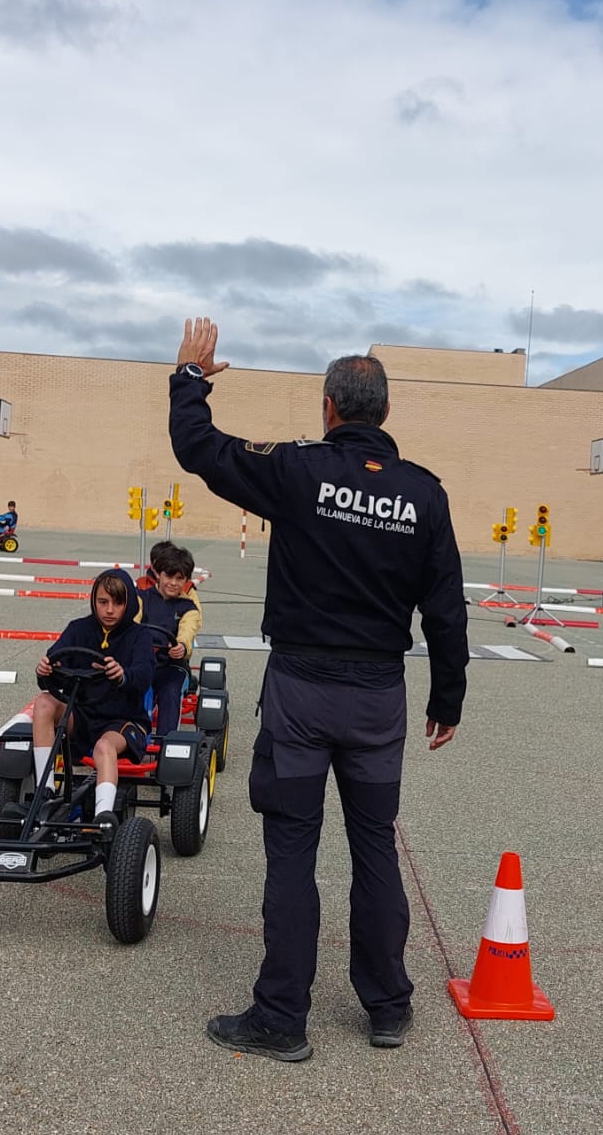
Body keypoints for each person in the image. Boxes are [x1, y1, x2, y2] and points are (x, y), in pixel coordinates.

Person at [169, 315, 468, 1062]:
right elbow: (447, 608)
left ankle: (282, 1018)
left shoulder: (300, 471)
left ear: (328, 410)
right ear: (386, 414)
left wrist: (190, 380)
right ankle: (387, 1007)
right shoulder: (423, 495)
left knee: (292, 854)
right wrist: (448, 698)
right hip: (377, 700)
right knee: (374, 850)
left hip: (302, 694)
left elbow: (200, 450)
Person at [28, 568, 156, 821]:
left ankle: (103, 816)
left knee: (104, 746)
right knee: (43, 702)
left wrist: (122, 674)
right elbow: (55, 664)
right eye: (103, 602)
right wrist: (45, 671)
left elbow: (145, 673)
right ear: (94, 602)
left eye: (118, 603)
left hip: (123, 721)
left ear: (128, 604)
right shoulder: (78, 629)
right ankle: (46, 791)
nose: (110, 610)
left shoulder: (139, 636)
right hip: (82, 714)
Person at [137, 540, 203, 736]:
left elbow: (188, 630)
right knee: (133, 687)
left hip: (172, 667)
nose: (173, 583)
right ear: (158, 573)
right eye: (168, 576)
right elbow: (131, 623)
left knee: (170, 693)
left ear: (186, 580)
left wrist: (181, 646)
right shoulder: (141, 598)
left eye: (179, 578)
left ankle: (167, 744)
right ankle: (130, 737)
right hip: (143, 663)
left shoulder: (188, 608)